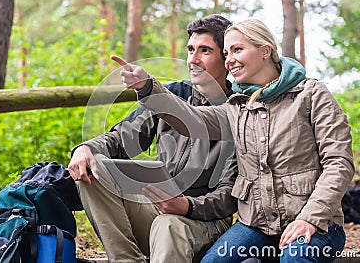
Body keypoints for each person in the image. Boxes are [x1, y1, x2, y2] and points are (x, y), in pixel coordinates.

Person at [114, 18, 354, 263]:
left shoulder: (312, 95)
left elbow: (339, 163)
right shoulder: (237, 106)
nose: (228, 59)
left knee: (294, 260)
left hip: (316, 223)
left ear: (265, 51)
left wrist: (310, 218)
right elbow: (191, 118)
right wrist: (147, 87)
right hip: (256, 226)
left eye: (237, 50)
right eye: (227, 53)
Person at [68, 14, 238, 263]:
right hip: (156, 207)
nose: (194, 59)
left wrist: (187, 206)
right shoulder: (173, 94)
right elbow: (121, 138)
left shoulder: (238, 112)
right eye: (191, 50)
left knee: (169, 225)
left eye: (205, 51)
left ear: (226, 58)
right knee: (94, 170)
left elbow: (230, 194)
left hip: (203, 221)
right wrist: (86, 148)